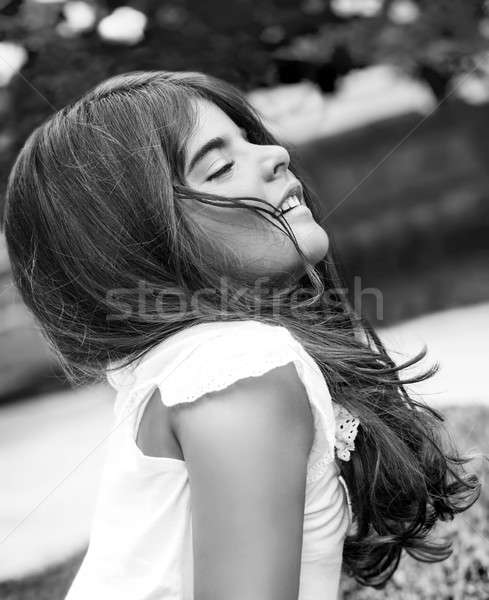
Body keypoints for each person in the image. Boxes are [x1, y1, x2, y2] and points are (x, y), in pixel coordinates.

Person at [2, 70, 480, 600]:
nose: (275, 154)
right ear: (144, 245)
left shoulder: (200, 362)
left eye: (251, 139)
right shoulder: (236, 367)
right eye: (222, 166)